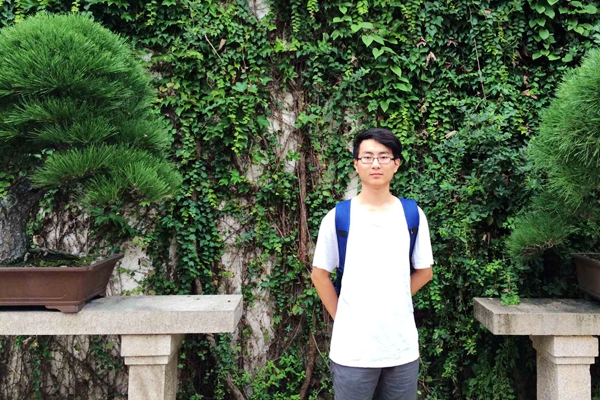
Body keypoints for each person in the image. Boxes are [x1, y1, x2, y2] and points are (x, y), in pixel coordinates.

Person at [311, 128, 434, 400]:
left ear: (396, 164)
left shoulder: (412, 214)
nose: (375, 164)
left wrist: (394, 299)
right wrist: (344, 317)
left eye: (384, 157)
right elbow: (319, 275)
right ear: (356, 164)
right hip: (352, 353)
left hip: (401, 350)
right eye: (367, 157)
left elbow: (425, 272)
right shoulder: (338, 217)